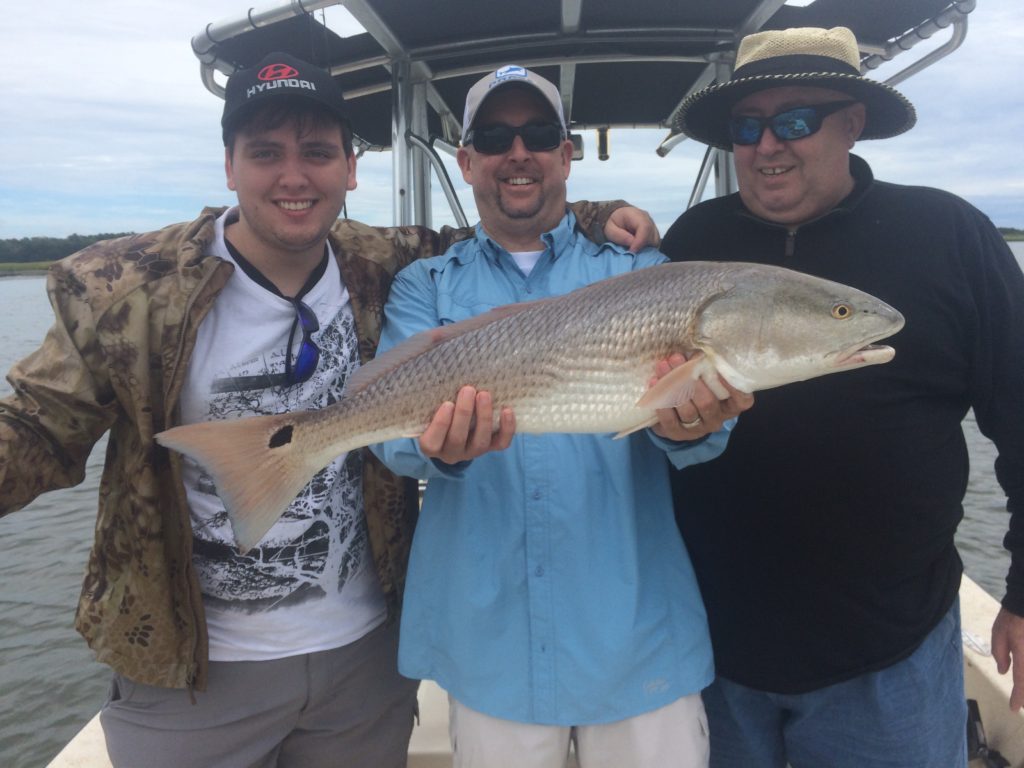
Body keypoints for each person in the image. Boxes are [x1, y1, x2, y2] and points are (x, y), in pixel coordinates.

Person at [0, 52, 657, 768]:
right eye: (265, 153)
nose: (293, 176)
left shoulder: (383, 262)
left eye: (317, 152)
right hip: (191, 675)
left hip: (361, 664)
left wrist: (597, 213)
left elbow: (509, 227)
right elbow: (34, 423)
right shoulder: (125, 289)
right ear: (228, 165)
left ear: (350, 167)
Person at [661, 26, 1024, 767]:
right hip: (713, 650)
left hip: (889, 652)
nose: (768, 146)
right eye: (748, 126)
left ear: (853, 123)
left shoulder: (949, 236)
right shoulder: (692, 242)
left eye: (795, 120)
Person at [371, 64, 754, 768]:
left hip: (639, 643)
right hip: (491, 648)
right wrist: (443, 450)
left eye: (539, 134)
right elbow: (394, 447)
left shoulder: (643, 275)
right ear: (465, 160)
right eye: (493, 136)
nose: (518, 152)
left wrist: (691, 423)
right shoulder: (424, 286)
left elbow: (710, 438)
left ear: (567, 153)